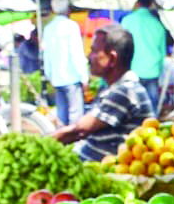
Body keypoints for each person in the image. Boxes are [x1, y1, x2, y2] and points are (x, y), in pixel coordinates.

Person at [51, 23, 153, 161]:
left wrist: (44, 143)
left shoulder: (125, 91)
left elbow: (79, 130)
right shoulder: (112, 88)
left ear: (112, 59)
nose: (88, 57)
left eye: (94, 51)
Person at [120, 0, 172, 114]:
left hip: (131, 71)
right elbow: (162, 53)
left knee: (129, 108)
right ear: (151, 4)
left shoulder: (127, 21)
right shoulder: (158, 24)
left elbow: (120, 47)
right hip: (152, 72)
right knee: (150, 110)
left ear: (137, 3)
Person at [40, 0, 88, 125]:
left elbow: (46, 55)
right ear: (68, 9)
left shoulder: (48, 28)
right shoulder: (71, 26)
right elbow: (76, 53)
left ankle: (63, 140)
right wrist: (84, 76)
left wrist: (49, 74)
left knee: (61, 114)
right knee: (76, 114)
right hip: (72, 76)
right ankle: (75, 142)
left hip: (56, 78)